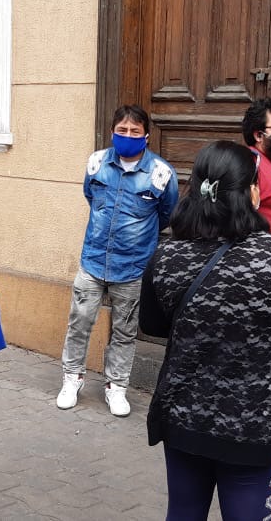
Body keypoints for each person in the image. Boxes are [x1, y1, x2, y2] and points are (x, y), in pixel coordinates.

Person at [140, 140, 271, 520]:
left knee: (183, 512)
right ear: (252, 193)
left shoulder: (167, 253)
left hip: (183, 417)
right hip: (253, 426)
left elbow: (152, 325)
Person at [55, 105, 179, 417]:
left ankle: (116, 386)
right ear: (113, 132)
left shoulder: (161, 174)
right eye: (121, 130)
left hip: (133, 267)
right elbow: (90, 198)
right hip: (93, 261)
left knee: (125, 330)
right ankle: (72, 379)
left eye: (134, 131)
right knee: (80, 323)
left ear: (146, 136)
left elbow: (166, 214)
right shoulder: (97, 163)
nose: (127, 136)